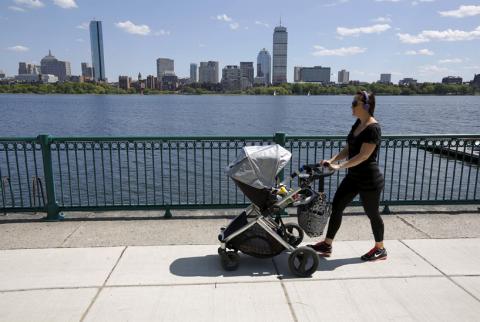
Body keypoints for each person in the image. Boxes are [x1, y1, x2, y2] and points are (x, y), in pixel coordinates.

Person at [308, 90, 387, 261]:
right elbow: (349, 148)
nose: (351, 106)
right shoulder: (358, 124)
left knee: (372, 214)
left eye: (354, 103)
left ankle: (380, 248)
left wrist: (340, 166)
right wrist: (332, 160)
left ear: (365, 106)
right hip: (353, 177)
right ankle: (327, 244)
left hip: (369, 179)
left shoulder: (373, 128)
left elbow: (364, 155)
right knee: (337, 206)